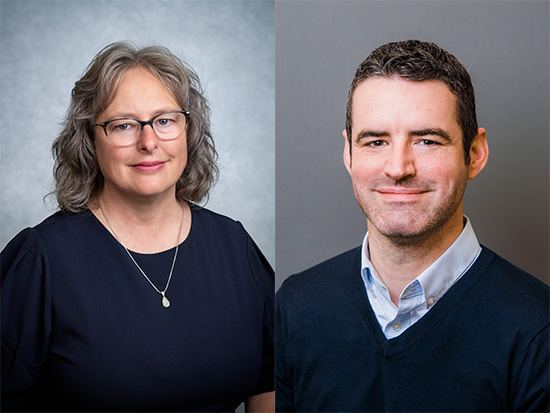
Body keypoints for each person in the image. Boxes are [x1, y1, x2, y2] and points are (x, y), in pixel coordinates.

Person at [275, 40, 549, 412]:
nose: (398, 167)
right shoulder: (295, 307)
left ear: (474, 154)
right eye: (375, 141)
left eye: (426, 140)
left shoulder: (538, 329)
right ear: (348, 153)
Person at [1, 42, 274, 412]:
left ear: (188, 130)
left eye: (164, 120)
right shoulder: (41, 260)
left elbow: (269, 382)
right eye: (124, 125)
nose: (148, 142)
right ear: (90, 140)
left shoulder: (234, 245)